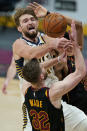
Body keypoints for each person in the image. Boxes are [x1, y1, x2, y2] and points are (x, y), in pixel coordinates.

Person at [12, 5, 87, 131]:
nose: (30, 22)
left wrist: (49, 14)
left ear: (37, 22)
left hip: (54, 95)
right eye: (25, 21)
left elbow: (76, 47)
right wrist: (52, 44)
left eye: (32, 19)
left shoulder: (46, 37)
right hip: (33, 99)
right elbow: (31, 54)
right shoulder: (19, 44)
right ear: (19, 28)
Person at [22, 32, 86, 130]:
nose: (43, 66)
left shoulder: (25, 89)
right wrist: (76, 47)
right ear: (42, 76)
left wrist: (58, 59)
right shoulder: (52, 93)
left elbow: (33, 69)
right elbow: (80, 72)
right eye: (41, 68)